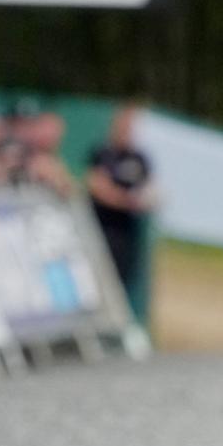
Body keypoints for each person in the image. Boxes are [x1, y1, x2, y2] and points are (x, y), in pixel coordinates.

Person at [86, 105, 156, 320]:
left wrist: (136, 201)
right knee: (96, 279)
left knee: (122, 279)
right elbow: (97, 186)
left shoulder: (140, 158)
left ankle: (115, 324)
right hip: (101, 228)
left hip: (126, 233)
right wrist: (126, 200)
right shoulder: (103, 154)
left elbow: (152, 194)